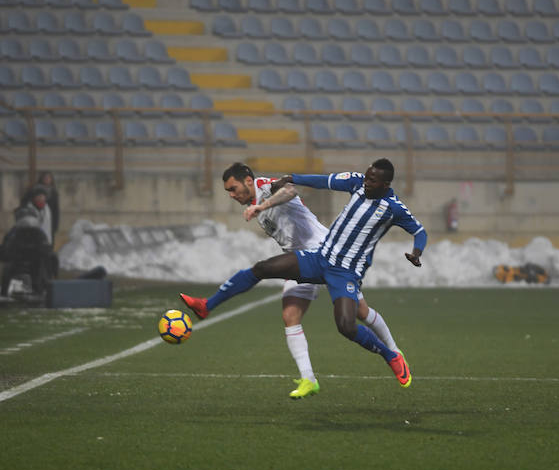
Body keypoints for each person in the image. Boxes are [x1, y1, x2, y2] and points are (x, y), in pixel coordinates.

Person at [181, 158, 426, 388]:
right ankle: (207, 305)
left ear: (385, 184)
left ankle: (391, 354)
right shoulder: (356, 183)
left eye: (372, 180)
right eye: (367, 177)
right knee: (263, 270)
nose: (366, 182)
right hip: (317, 258)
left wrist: (417, 252)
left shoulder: (393, 208)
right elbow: (323, 180)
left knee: (348, 325)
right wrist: (293, 176)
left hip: (341, 267)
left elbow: (420, 232)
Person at [0, 188, 56, 296]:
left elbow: (46, 250)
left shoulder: (37, 232)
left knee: (41, 269)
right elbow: (5, 251)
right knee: (8, 271)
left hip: (34, 262)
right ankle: (4, 294)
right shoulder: (14, 232)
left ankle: (40, 290)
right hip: (18, 262)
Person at [21, 170, 60, 242]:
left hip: (48, 220)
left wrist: (55, 225)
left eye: (49, 178)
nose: (47, 180)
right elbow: (24, 203)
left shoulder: (53, 192)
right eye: (45, 178)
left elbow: (56, 210)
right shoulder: (34, 190)